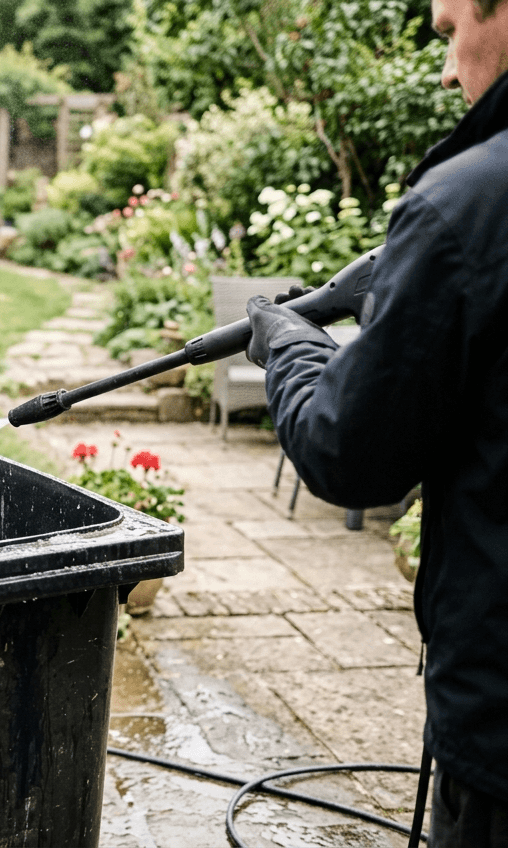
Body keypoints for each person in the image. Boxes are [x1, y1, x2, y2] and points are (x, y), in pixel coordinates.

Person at [245, 1, 508, 844]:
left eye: (446, 31)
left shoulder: (470, 204)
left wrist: (291, 346)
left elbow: (348, 453)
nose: (444, 68)